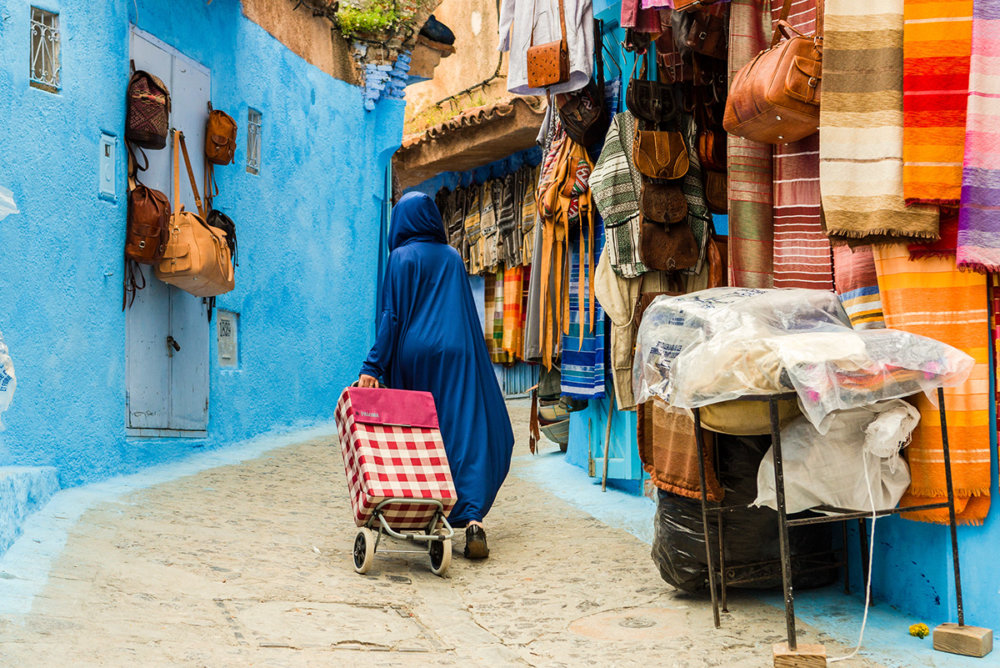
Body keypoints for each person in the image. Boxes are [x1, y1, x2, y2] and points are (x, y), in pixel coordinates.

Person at [359, 192, 514, 559]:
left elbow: (391, 318)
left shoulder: (400, 258)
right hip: (458, 353)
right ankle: (472, 520)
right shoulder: (453, 257)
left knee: (423, 434)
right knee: (463, 429)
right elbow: (465, 314)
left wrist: (373, 366)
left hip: (416, 356)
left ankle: (427, 509)